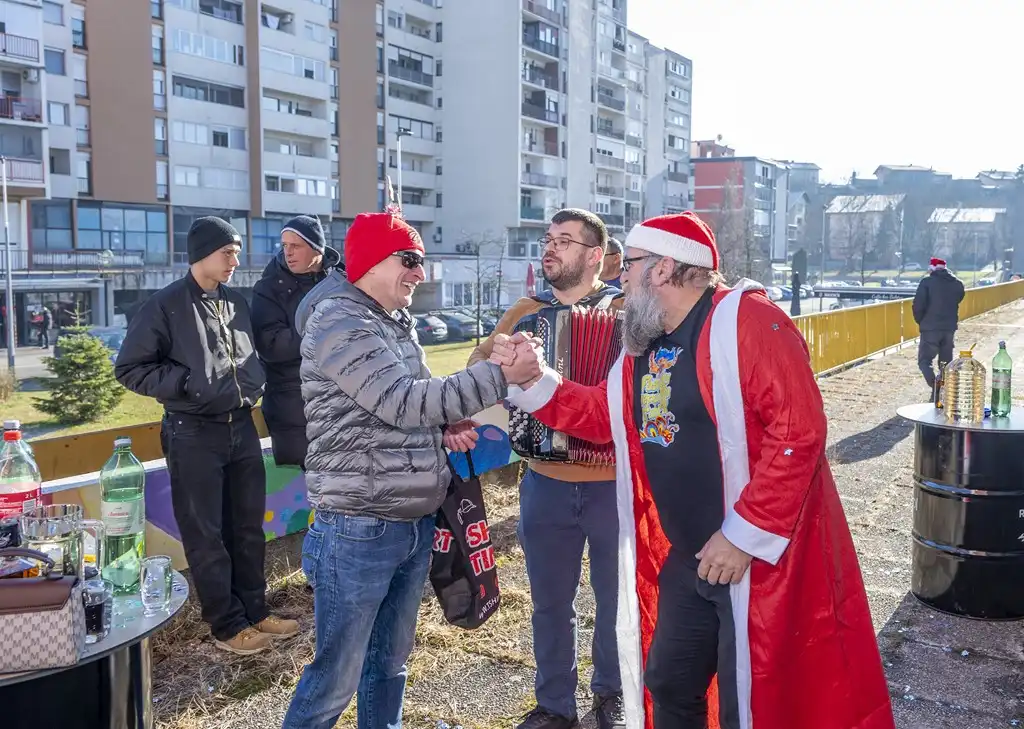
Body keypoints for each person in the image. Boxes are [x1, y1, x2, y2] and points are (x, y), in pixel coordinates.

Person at [492, 212, 894, 729]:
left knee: (746, 702)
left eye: (630, 265)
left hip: (752, 560)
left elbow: (799, 433)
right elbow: (603, 415)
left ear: (663, 269)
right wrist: (536, 379)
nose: (619, 277)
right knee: (671, 683)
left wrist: (743, 536)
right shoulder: (645, 341)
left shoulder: (749, 321)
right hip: (692, 557)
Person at [281, 210, 540, 729]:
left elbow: (412, 401)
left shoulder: (388, 320)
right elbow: (401, 401)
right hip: (359, 526)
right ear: (372, 262)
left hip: (408, 520)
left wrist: (445, 427)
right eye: (411, 260)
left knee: (389, 665)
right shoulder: (340, 320)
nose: (420, 274)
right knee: (337, 677)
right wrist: (499, 376)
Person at [115, 217, 298, 656]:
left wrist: (252, 386)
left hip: (242, 427)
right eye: (227, 253)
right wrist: (187, 384)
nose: (236, 260)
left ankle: (255, 612)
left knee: (248, 528)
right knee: (206, 535)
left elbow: (248, 358)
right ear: (202, 255)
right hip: (192, 432)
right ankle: (226, 624)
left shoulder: (237, 303)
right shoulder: (166, 305)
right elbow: (129, 368)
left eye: (236, 251)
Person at [470, 209, 624, 729]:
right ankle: (554, 707)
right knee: (549, 604)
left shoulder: (628, 310)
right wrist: (495, 356)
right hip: (543, 483)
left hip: (613, 487)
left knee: (616, 601)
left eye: (565, 241)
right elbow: (475, 379)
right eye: (548, 239)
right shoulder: (524, 312)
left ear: (594, 256)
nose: (550, 248)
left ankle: (612, 696)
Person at [251, 215, 341, 469]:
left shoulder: (342, 279)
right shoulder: (268, 288)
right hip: (294, 408)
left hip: (343, 405)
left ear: (317, 248)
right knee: (319, 491)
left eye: (296, 246)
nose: (288, 253)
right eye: (284, 246)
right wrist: (325, 331)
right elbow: (271, 345)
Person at [913, 257, 965, 395]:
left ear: (932, 268)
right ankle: (941, 392)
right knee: (946, 364)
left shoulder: (927, 283)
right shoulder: (957, 284)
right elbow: (959, 298)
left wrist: (921, 321)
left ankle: (936, 387)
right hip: (949, 328)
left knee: (925, 361)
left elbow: (918, 305)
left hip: (930, 328)